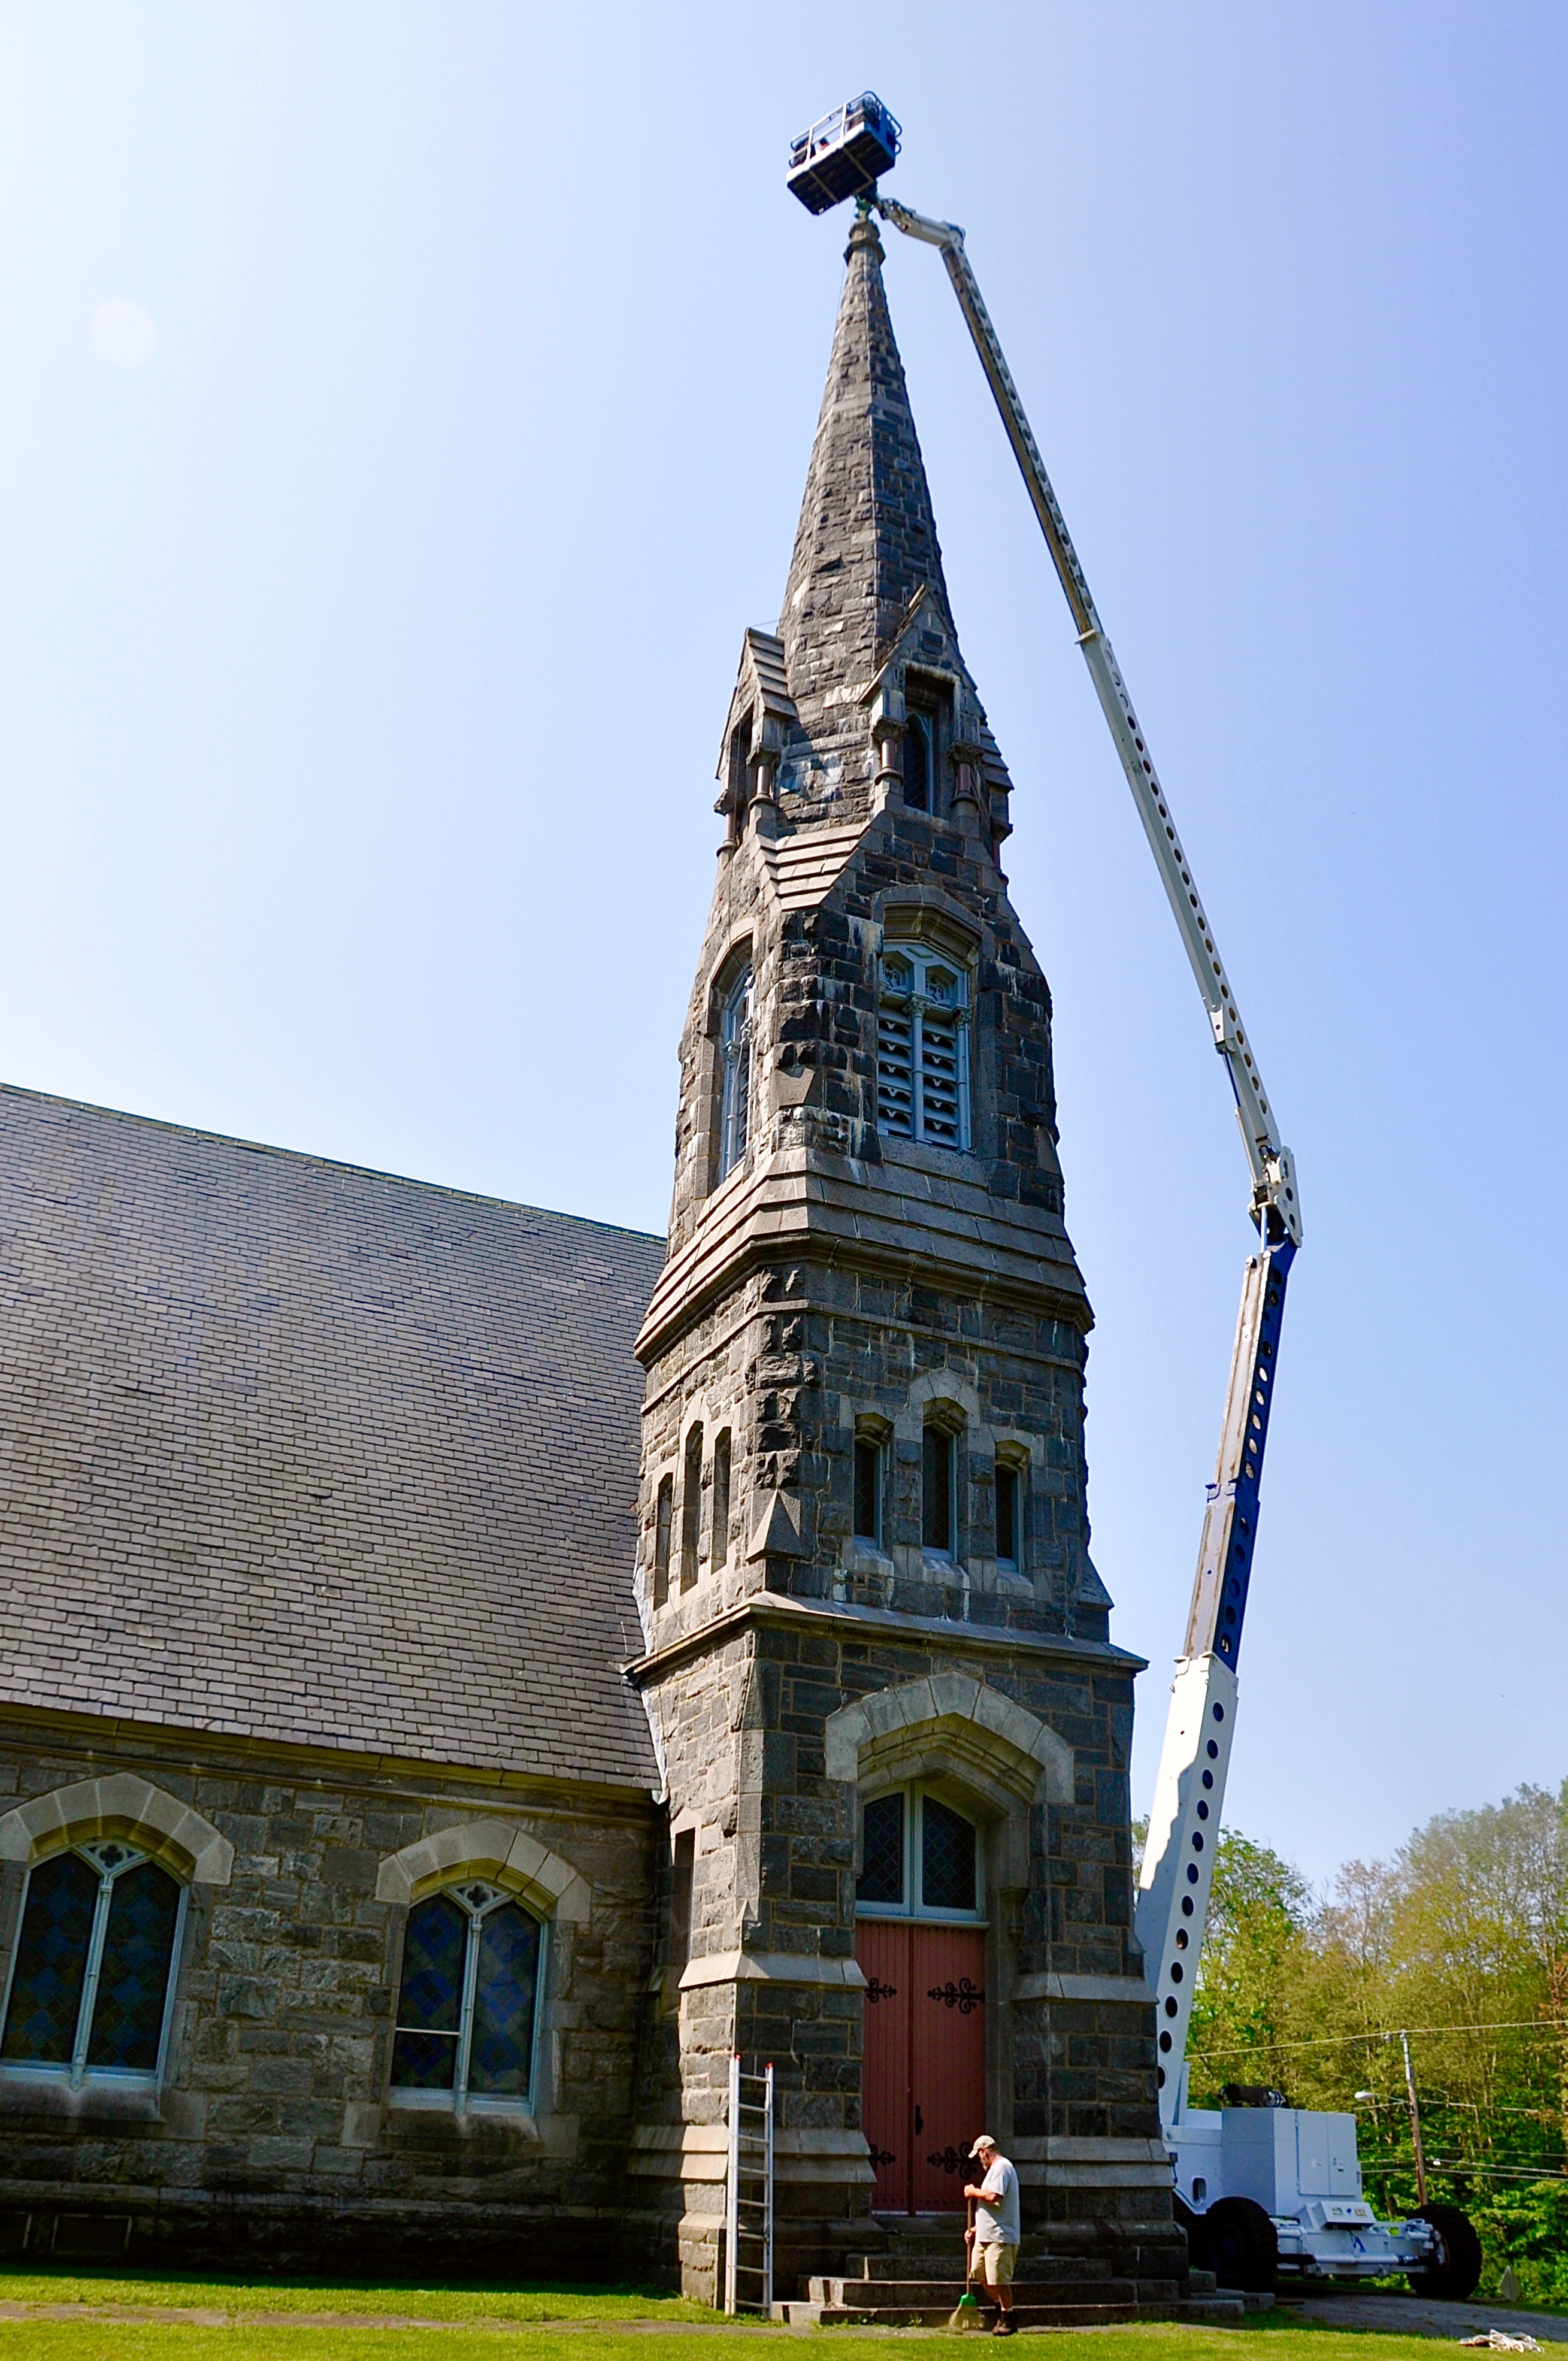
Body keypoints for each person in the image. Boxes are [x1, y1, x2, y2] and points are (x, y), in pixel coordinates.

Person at [964, 2133, 1020, 2335]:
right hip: (985, 2235)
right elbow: (993, 2209)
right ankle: (1001, 2309)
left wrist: (973, 2191)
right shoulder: (993, 2171)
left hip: (1000, 2235)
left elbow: (994, 2196)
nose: (980, 2161)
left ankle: (1009, 2318)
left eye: (979, 2156)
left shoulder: (1002, 2167)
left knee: (999, 2279)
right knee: (979, 2272)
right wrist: (975, 2229)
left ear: (984, 2152)